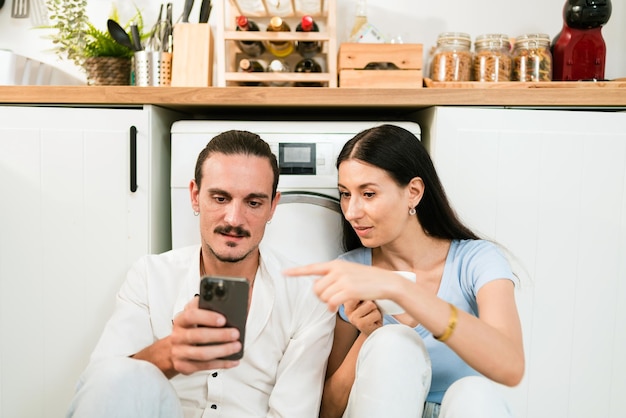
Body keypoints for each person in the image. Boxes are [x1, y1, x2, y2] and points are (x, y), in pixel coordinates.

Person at [67, 130, 335, 418]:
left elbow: (292, 413)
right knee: (115, 374)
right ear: (195, 196)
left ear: (272, 206)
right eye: (220, 198)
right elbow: (102, 385)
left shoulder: (308, 295)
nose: (234, 219)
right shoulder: (151, 276)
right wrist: (170, 353)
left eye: (253, 203)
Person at [285, 124, 525, 418]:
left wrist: (404, 292)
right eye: (345, 194)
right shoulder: (350, 271)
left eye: (368, 194)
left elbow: (511, 367)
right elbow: (328, 410)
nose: (351, 212)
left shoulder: (477, 261)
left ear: (413, 192)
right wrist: (367, 335)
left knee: (474, 392)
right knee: (393, 343)